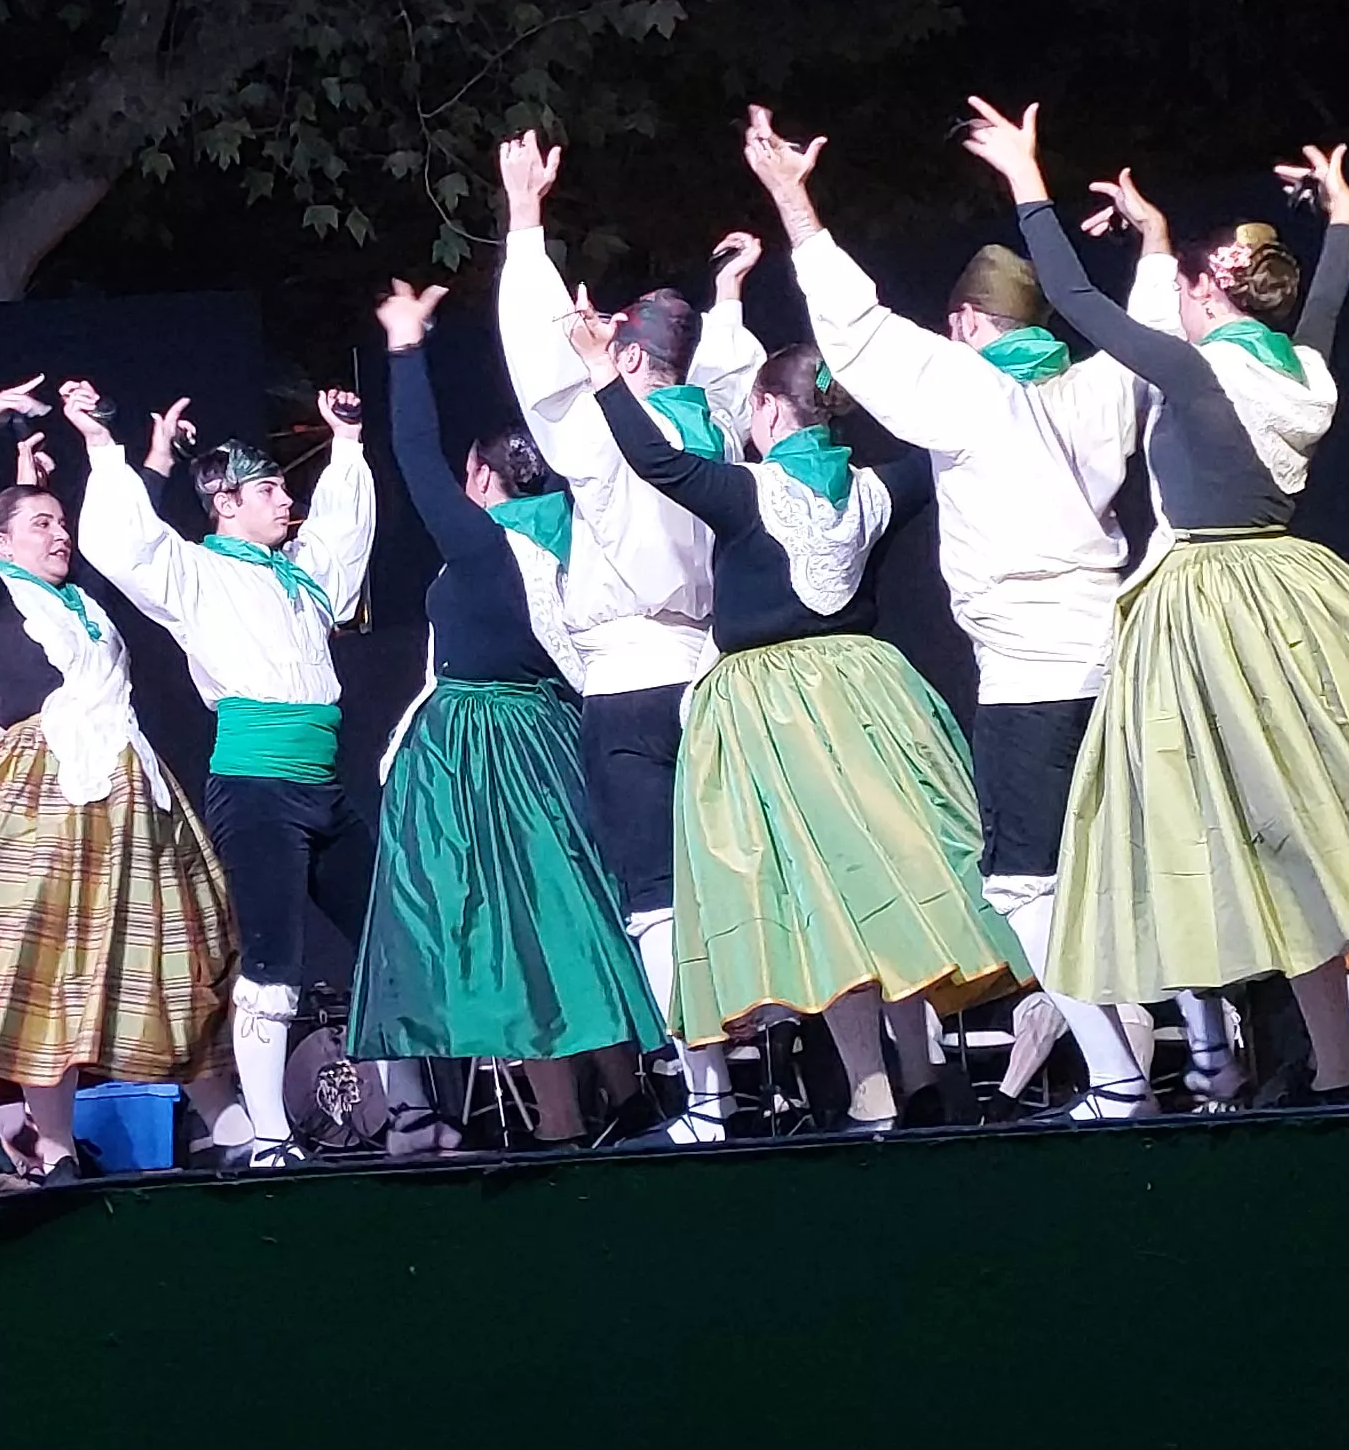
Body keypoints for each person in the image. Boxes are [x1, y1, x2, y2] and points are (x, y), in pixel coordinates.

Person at [966, 97, 1349, 1106]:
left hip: (1209, 604)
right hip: (1295, 590)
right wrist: (1339, 217)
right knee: (1299, 827)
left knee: (1223, 823)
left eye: (1191, 285)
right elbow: (1324, 304)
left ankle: (1209, 1050)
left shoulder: (1198, 376)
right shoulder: (1301, 366)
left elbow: (1073, 298)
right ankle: (1327, 1063)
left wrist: (1025, 182)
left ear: (1212, 287)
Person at [745, 102, 1174, 1117]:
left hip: (1029, 667)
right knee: (1128, 865)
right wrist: (1153, 244)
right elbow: (1149, 330)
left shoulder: (974, 392)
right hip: (1114, 650)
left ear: (971, 327)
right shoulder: (1100, 384)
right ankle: (1194, 1049)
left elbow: (854, 330)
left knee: (1024, 886)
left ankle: (1117, 1080)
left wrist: (792, 200)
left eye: (956, 326)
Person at [571, 301, 1030, 1132]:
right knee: (890, 881)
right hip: (868, 696)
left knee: (820, 896)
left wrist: (604, 373)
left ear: (773, 409)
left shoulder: (749, 490)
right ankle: (919, 1073)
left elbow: (657, 462)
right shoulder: (876, 488)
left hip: (770, 713)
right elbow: (957, 442)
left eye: (751, 406)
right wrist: (990, 361)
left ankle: (870, 1082)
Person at [0, 375, 236, 1192]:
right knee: (42, 970)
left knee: (170, 950)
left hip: (126, 792)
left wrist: (148, 461)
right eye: (41, 524)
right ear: (1, 545)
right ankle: (52, 1149)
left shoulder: (81, 603)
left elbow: (123, 541)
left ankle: (227, 1122)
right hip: (37, 790)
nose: (58, 534)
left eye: (60, 522)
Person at [492, 130, 768, 1135]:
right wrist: (729, 296)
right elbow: (732, 372)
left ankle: (707, 1098)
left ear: (624, 349)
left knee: (653, 895)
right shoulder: (717, 431)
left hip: (627, 684)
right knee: (725, 881)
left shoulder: (606, 429)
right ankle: (769, 1079)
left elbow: (533, 369)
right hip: (709, 671)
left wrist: (525, 223)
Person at [352, 279, 662, 1140]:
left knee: (510, 935)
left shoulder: (486, 542)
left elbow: (413, 455)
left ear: (483, 475)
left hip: (481, 750)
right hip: (559, 737)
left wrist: (407, 349)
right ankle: (628, 1093)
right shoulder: (578, 530)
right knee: (575, 917)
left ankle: (560, 1123)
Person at [60, 373, 378, 1170]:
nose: (283, 499)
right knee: (272, 961)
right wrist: (103, 445)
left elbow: (345, 537)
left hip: (323, 783)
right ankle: (269, 1132)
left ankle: (404, 1111)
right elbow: (127, 542)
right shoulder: (196, 573)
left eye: (281, 486)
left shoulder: (302, 576)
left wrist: (346, 445)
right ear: (226, 503)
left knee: (386, 938)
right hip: (256, 787)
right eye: (268, 488)